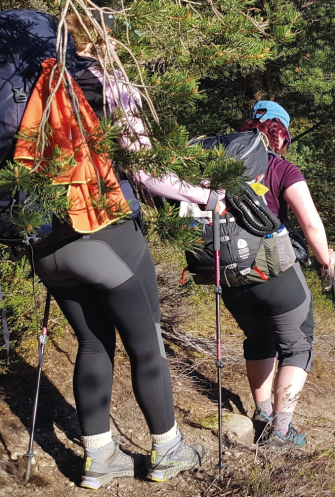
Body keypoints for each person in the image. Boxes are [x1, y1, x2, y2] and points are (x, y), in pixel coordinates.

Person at [27, 13, 208, 489]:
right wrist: (205, 195)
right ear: (102, 35)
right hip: (104, 230)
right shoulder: (107, 83)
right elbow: (149, 173)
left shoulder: (27, 82)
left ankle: (99, 456)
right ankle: (169, 450)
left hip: (43, 242)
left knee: (92, 342)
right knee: (147, 343)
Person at [221, 101, 335, 449]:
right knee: (297, 345)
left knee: (259, 341)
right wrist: (325, 259)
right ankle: (282, 432)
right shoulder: (282, 168)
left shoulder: (219, 167)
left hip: (229, 275)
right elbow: (310, 221)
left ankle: (263, 413)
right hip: (273, 273)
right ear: (280, 135)